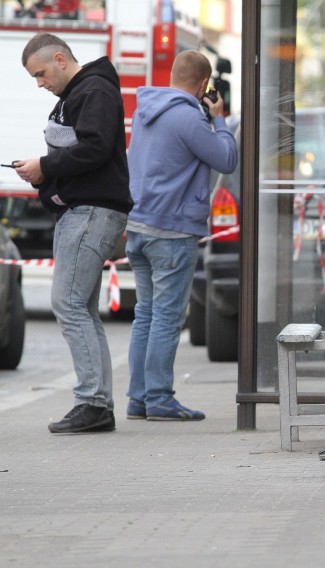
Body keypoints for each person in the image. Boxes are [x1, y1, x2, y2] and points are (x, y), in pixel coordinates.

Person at [14, 33, 133, 433]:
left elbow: (95, 148)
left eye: (41, 73)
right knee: (80, 308)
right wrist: (44, 168)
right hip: (86, 211)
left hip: (91, 211)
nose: (40, 83)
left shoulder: (94, 90)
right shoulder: (83, 92)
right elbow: (86, 150)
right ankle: (96, 403)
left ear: (61, 59)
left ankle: (93, 402)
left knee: (66, 304)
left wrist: (46, 167)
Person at [124, 51, 237, 419]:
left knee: (146, 314)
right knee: (167, 316)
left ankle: (138, 398)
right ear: (204, 85)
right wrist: (219, 121)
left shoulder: (145, 111)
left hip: (139, 226)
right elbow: (225, 159)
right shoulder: (188, 117)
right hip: (171, 231)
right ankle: (159, 397)